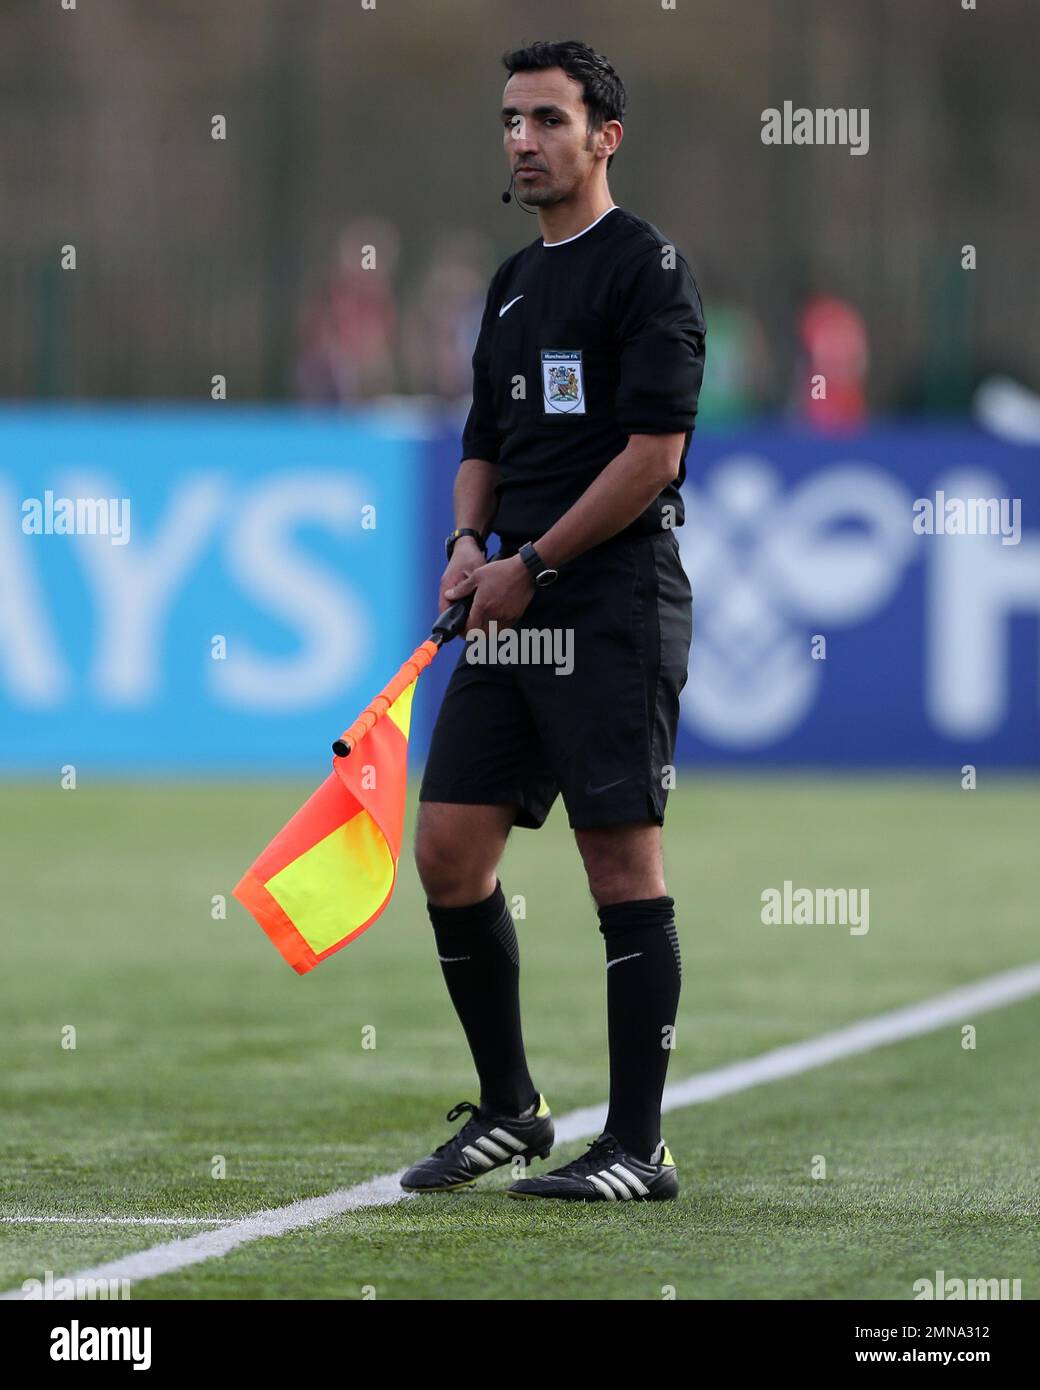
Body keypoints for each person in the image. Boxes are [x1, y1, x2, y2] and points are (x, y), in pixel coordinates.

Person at [402, 39, 706, 1202]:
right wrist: (468, 545)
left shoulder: (648, 269)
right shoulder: (511, 280)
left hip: (610, 604)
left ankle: (636, 1145)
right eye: (508, 122)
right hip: (508, 598)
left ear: (602, 137)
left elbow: (652, 457)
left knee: (617, 863)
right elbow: (482, 437)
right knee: (446, 853)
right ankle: (513, 1108)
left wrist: (530, 559)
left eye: (545, 120)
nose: (521, 141)